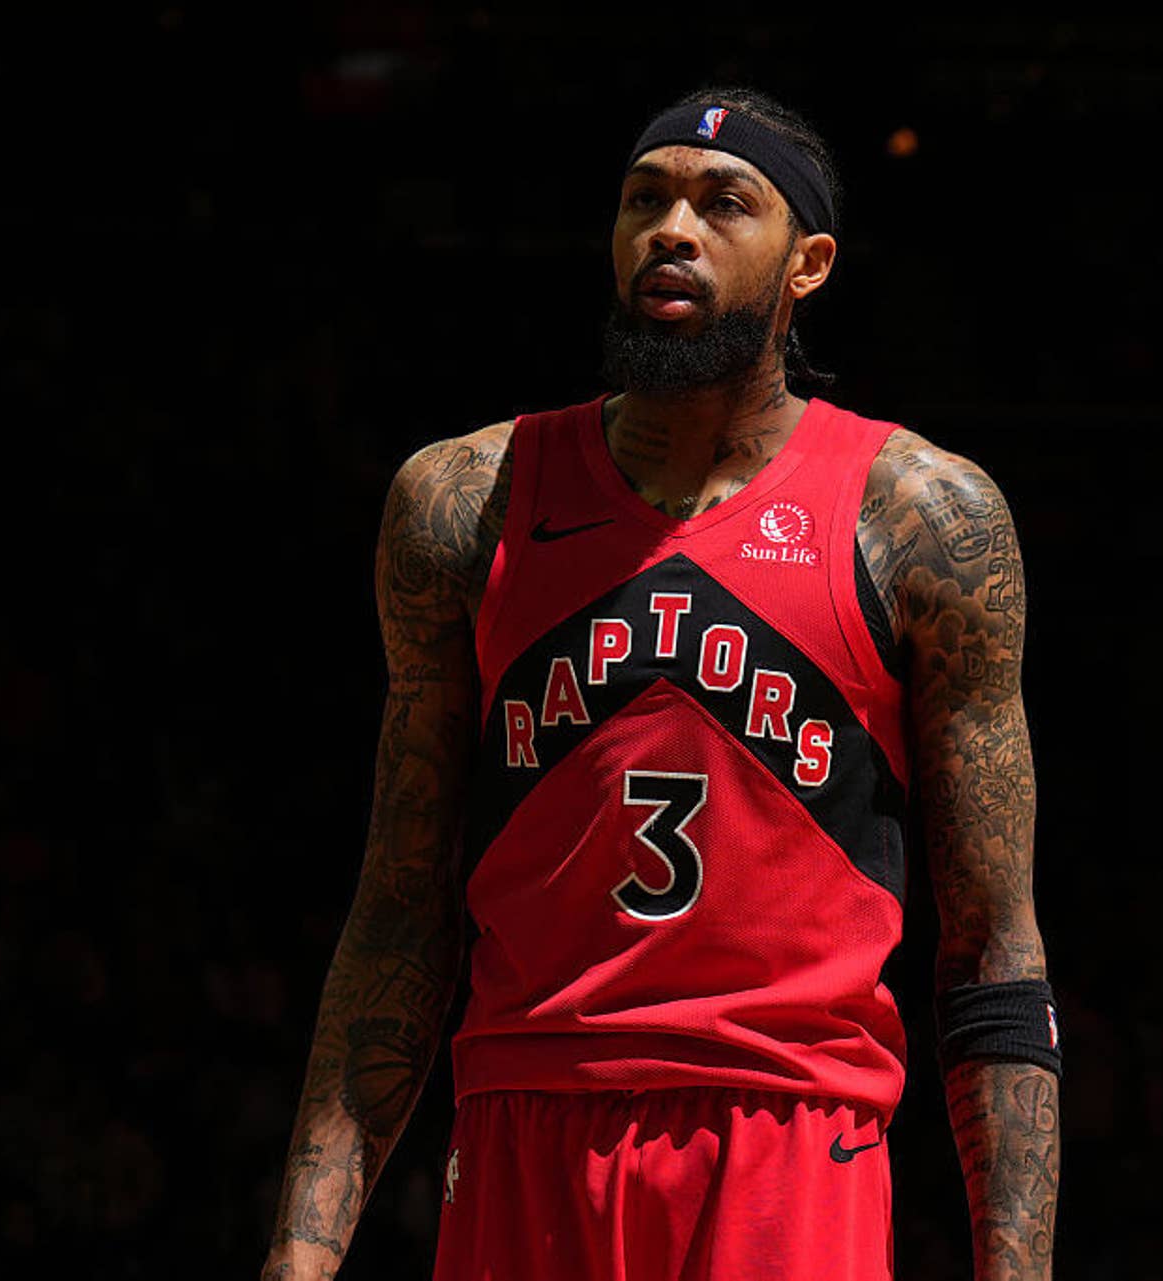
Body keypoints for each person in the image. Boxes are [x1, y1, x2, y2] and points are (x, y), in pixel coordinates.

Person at [262, 86, 1061, 1281]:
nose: (671, 230)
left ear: (810, 264)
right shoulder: (464, 500)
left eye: (722, 203)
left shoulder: (924, 516)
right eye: (646, 200)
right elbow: (394, 915)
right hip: (523, 1115)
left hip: (790, 1138)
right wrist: (301, 1255)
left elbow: (995, 953)